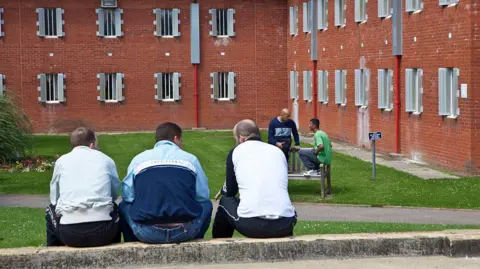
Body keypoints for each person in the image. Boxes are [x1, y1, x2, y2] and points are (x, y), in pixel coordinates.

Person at [119, 122, 212, 244]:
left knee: (123, 205)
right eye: (181, 141)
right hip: (184, 231)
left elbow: (128, 196)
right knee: (207, 204)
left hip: (146, 232)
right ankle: (197, 241)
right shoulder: (191, 159)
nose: (181, 145)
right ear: (176, 139)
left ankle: (131, 244)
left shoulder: (138, 159)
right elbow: (202, 195)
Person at [212, 119, 297, 239]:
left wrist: (224, 190)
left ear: (241, 138)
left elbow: (230, 191)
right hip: (285, 224)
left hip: (252, 225)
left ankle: (219, 246)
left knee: (225, 202)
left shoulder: (236, 151)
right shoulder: (277, 152)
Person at [46, 127, 121, 247]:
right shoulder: (106, 160)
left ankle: (52, 254)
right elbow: (114, 194)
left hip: (69, 234)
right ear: (92, 145)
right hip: (104, 233)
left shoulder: (61, 161)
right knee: (117, 207)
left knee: (50, 210)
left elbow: (54, 198)